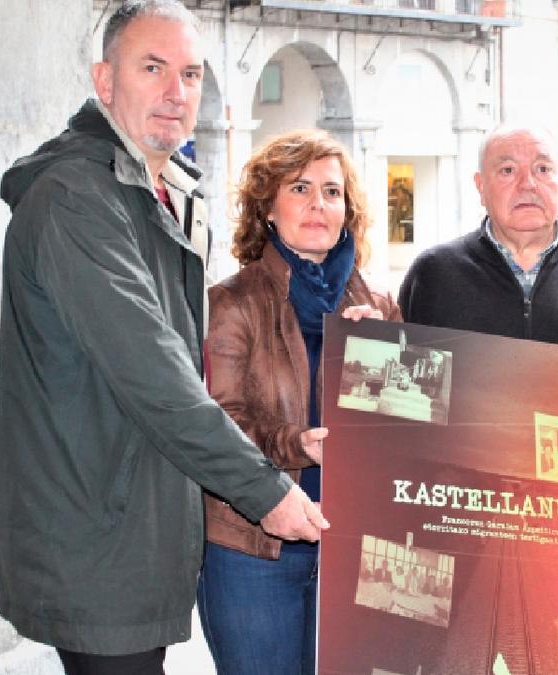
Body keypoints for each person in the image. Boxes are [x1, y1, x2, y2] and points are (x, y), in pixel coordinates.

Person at [0, 2, 327, 672]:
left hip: (139, 522)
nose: (177, 93)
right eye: (154, 68)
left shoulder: (159, 193)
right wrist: (266, 491)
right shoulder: (75, 200)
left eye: (191, 73)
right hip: (99, 532)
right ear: (105, 80)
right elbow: (157, 375)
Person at [196, 129, 400, 674]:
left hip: (357, 547)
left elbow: (407, 436)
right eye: (300, 188)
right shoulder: (230, 303)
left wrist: (381, 359)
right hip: (254, 549)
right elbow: (216, 425)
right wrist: (298, 445)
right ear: (267, 208)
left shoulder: (378, 304)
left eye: (332, 192)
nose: (319, 204)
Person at [398, 124, 558, 355]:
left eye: (543, 169)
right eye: (507, 171)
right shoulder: (433, 273)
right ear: (481, 187)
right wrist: (362, 333)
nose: (528, 184)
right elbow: (402, 373)